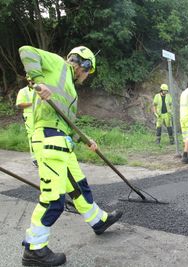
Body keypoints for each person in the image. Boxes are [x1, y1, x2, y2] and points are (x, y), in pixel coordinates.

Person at [18, 45, 123, 266]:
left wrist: (85, 141)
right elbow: (26, 51)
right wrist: (39, 81)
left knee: (79, 186)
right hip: (48, 140)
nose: (87, 76)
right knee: (53, 201)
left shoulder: (71, 90)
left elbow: (66, 125)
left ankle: (98, 221)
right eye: (88, 71)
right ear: (83, 65)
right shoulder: (58, 64)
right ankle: (34, 250)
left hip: (62, 142)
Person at [16, 75, 37, 166]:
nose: (32, 81)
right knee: (32, 136)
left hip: (42, 116)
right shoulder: (23, 91)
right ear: (28, 80)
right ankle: (35, 158)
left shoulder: (41, 89)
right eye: (31, 80)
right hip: (30, 116)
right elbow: (19, 105)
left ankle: (43, 156)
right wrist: (33, 103)